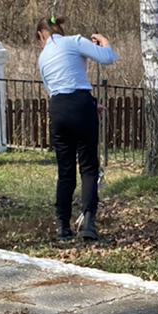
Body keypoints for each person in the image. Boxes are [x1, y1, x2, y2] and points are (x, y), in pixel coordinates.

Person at [35, 14, 118, 242]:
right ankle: (89, 223)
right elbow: (108, 58)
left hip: (59, 111)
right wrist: (103, 40)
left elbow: (56, 89)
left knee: (66, 170)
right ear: (58, 30)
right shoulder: (75, 41)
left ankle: (63, 226)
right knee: (89, 167)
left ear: (41, 35)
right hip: (82, 106)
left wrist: (89, 104)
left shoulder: (42, 58)